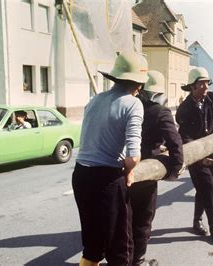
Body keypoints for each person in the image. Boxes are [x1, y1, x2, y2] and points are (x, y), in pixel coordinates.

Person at [72, 51, 148, 266]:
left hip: (81, 175)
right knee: (119, 247)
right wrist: (130, 172)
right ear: (139, 84)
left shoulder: (95, 99)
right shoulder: (133, 104)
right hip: (107, 179)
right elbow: (133, 155)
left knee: (93, 243)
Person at [176, 67, 213, 241]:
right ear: (192, 86)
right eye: (201, 84)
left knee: (203, 189)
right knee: (209, 188)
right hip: (196, 157)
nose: (205, 87)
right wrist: (200, 157)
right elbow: (184, 137)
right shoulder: (184, 109)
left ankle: (196, 221)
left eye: (206, 83)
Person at [131, 70, 184, 265]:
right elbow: (174, 141)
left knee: (128, 216)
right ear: (158, 93)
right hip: (146, 169)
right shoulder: (161, 111)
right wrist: (176, 167)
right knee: (144, 217)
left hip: (123, 166)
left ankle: (125, 256)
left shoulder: (131, 106)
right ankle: (138, 260)